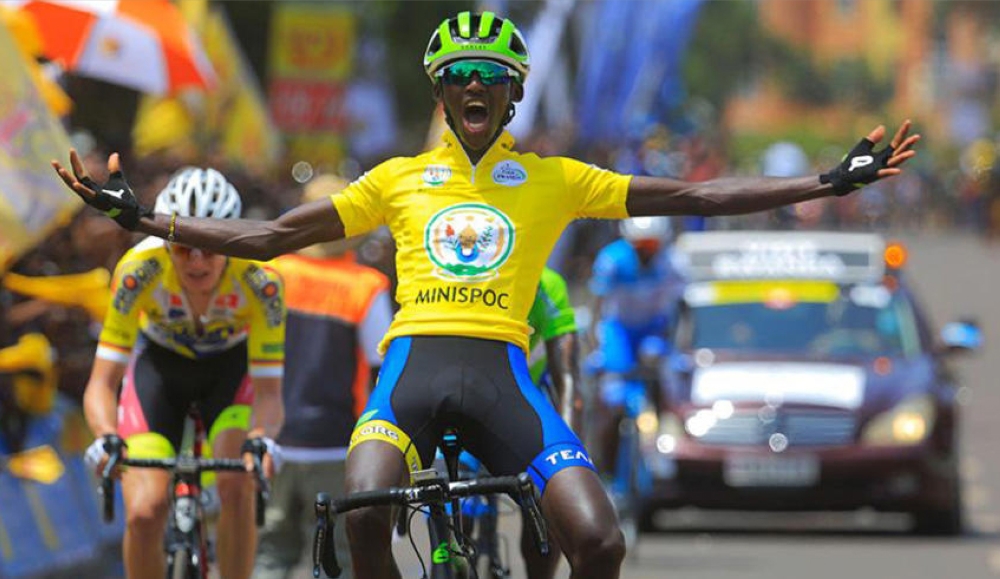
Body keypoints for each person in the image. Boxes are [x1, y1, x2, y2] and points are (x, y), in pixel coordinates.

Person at [54, 11, 920, 578]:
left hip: (505, 375)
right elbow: (272, 236)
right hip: (412, 370)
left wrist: (822, 182)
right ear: (441, 92)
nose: (475, 88)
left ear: (511, 96)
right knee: (360, 512)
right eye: (460, 76)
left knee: (600, 540)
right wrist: (149, 222)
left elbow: (695, 196)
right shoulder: (396, 178)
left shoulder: (552, 177)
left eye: (492, 77)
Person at [79, 168, 285, 579]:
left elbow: (268, 393)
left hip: (229, 374)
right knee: (143, 512)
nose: (195, 260)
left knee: (237, 485)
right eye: (182, 247)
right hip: (160, 371)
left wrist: (261, 441)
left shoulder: (261, 281)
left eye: (209, 247)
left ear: (229, 242)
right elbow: (102, 381)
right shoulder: (139, 270)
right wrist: (105, 437)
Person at [254, 175, 393, 579]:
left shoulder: (272, 273)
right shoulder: (365, 287)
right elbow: (380, 364)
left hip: (273, 438)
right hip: (336, 442)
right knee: (344, 559)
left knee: (271, 553)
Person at [588, 216, 684, 473]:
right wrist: (596, 345)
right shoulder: (612, 260)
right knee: (614, 399)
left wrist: (672, 344)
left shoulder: (673, 262)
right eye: (639, 246)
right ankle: (605, 466)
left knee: (666, 376)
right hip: (619, 331)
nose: (645, 252)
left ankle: (664, 435)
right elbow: (598, 306)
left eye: (652, 245)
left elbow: (680, 308)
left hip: (653, 329)